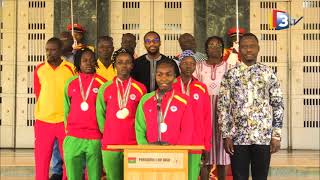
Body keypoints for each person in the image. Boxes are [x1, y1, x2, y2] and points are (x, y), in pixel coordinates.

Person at [218, 33, 284, 180]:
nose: (248, 50)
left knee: (260, 177)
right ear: (239, 50)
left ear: (258, 49)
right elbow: (223, 106)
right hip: (238, 137)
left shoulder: (268, 73)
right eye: (244, 47)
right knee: (239, 177)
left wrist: (276, 135)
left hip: (263, 136)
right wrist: (226, 134)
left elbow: (278, 104)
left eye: (252, 46)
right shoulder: (230, 75)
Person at [96, 48, 147, 180]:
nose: (124, 65)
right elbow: (100, 113)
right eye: (120, 62)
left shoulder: (140, 88)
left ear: (132, 65)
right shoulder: (105, 88)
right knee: (113, 177)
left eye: (127, 62)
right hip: (111, 143)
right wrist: (107, 132)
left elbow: (143, 118)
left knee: (133, 177)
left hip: (133, 143)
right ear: (115, 65)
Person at [33, 37, 75, 180]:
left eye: (53, 50)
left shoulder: (70, 69)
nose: (49, 53)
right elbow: (38, 92)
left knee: (68, 159)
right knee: (42, 160)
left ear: (60, 50)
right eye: (47, 50)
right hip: (43, 121)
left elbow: (72, 94)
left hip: (64, 121)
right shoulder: (39, 69)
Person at [63, 48, 106, 180]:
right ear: (78, 63)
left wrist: (103, 134)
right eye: (85, 60)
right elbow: (66, 109)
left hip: (94, 138)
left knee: (94, 176)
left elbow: (105, 111)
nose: (88, 63)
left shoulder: (103, 83)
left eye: (92, 60)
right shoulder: (70, 83)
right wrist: (68, 131)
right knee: (73, 176)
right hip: (73, 137)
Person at [193, 36, 231, 180]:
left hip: (223, 111)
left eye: (218, 45)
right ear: (206, 49)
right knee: (205, 150)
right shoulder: (198, 67)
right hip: (203, 110)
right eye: (211, 45)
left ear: (222, 49)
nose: (214, 47)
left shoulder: (230, 67)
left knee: (222, 151)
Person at [172, 50, 212, 180]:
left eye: (192, 63)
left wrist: (206, 144)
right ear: (179, 65)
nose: (188, 66)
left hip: (196, 139)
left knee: (192, 175)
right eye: (185, 63)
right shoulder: (171, 86)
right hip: (175, 140)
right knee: (176, 174)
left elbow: (206, 117)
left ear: (195, 66)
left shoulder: (201, 88)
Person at [135, 58, 193, 146]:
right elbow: (139, 128)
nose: (164, 78)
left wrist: (178, 151)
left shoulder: (184, 100)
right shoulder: (145, 100)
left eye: (168, 75)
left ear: (174, 77)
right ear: (155, 76)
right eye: (159, 75)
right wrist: (145, 147)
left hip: (175, 154)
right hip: (149, 153)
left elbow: (187, 130)